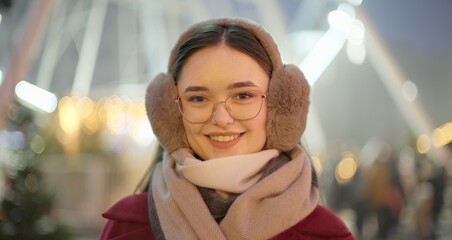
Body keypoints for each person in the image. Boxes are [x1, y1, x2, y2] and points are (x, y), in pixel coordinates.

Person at [99, 17, 354, 240]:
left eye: (243, 96)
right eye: (198, 99)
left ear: (281, 106)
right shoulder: (126, 227)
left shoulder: (325, 234)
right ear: (171, 114)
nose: (221, 118)